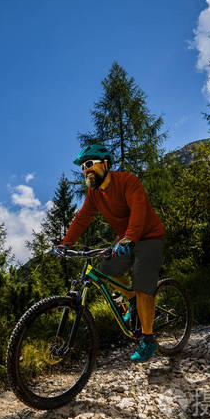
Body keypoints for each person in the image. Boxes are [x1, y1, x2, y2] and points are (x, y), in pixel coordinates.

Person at [54, 144, 166, 362]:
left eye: (89, 165)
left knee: (143, 281)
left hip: (149, 236)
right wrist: (65, 243)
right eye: (82, 168)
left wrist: (130, 237)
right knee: (106, 270)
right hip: (125, 239)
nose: (86, 171)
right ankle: (132, 300)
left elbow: (138, 210)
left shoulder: (127, 181)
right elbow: (82, 218)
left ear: (105, 164)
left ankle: (148, 340)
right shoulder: (94, 193)